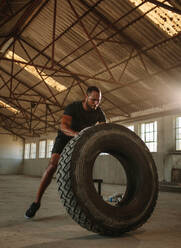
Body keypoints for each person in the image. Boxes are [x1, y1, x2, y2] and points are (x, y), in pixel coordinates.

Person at [25, 85, 106, 218]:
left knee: (81, 169)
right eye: (93, 100)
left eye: (99, 100)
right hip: (66, 136)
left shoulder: (99, 112)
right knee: (52, 165)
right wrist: (75, 134)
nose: (96, 103)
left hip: (81, 139)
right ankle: (36, 202)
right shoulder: (73, 107)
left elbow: (102, 130)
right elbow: (63, 126)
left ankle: (85, 204)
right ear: (86, 97)